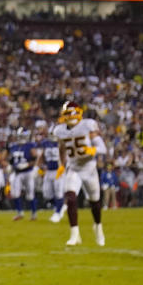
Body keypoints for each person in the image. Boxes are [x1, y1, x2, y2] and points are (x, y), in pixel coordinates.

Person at [52, 101, 107, 246]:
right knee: (70, 198)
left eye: (69, 113)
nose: (67, 117)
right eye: (66, 114)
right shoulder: (60, 130)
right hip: (74, 168)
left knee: (95, 203)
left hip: (89, 168)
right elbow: (62, 147)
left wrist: (92, 150)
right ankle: (74, 234)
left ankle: (98, 227)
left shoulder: (87, 125)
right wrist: (62, 165)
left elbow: (102, 148)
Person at [8, 129, 39, 221]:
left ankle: (34, 213)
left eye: (23, 136)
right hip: (17, 172)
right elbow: (11, 160)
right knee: (15, 193)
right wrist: (10, 166)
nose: (22, 138)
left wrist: (27, 164)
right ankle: (19, 213)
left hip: (28, 172)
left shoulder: (30, 146)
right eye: (20, 136)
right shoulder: (14, 146)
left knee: (30, 194)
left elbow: (35, 158)